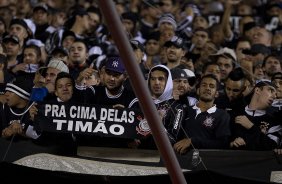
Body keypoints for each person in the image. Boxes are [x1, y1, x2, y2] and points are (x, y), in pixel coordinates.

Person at [129, 64, 187, 149]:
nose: (156, 83)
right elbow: (127, 129)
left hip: (159, 157)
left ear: (168, 82)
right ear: (149, 81)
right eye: (153, 79)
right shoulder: (137, 102)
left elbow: (174, 140)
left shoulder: (177, 108)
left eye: (161, 79)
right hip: (132, 154)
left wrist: (159, 127)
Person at [174, 74, 231, 154]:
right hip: (181, 159)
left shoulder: (222, 115)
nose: (207, 88)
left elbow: (223, 143)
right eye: (204, 85)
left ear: (217, 93)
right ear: (198, 90)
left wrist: (193, 141)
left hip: (208, 161)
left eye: (211, 86)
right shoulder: (184, 110)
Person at [230, 80, 282, 150]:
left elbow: (273, 145)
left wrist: (251, 127)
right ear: (257, 90)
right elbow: (223, 139)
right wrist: (231, 143)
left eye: (275, 94)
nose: (274, 96)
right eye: (271, 91)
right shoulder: (235, 113)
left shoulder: (274, 121)